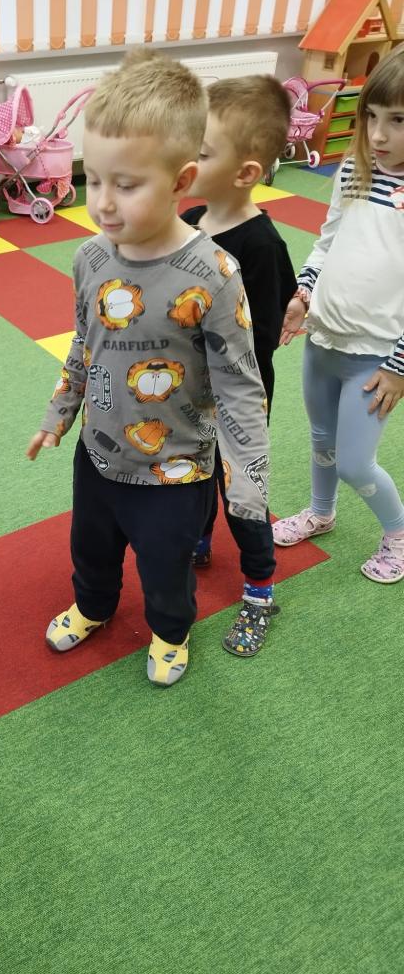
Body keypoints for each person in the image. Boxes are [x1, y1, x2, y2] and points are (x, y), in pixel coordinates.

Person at [27, 49, 271, 685]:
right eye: (93, 180)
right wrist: (59, 413)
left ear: (182, 180)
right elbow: (83, 344)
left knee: (166, 566)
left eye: (127, 185)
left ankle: (170, 631)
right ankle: (93, 606)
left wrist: (248, 479)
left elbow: (241, 388)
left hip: (176, 468)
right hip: (99, 452)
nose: (103, 204)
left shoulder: (215, 276)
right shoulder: (89, 258)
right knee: (91, 547)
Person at [275, 48, 404, 583]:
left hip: (377, 356)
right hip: (324, 338)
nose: (378, 134)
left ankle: (398, 533)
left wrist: (399, 367)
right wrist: (303, 294)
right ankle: (321, 512)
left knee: (354, 461)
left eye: (398, 120)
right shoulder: (353, 169)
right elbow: (327, 242)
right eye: (370, 116)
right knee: (322, 440)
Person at [181, 75, 296, 655]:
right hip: (187, 392)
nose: (186, 160)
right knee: (194, 471)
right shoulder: (190, 219)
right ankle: (199, 540)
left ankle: (260, 589)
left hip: (239, 398)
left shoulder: (260, 244)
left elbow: (265, 337)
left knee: (241, 493)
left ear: (246, 172)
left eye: (201, 153)